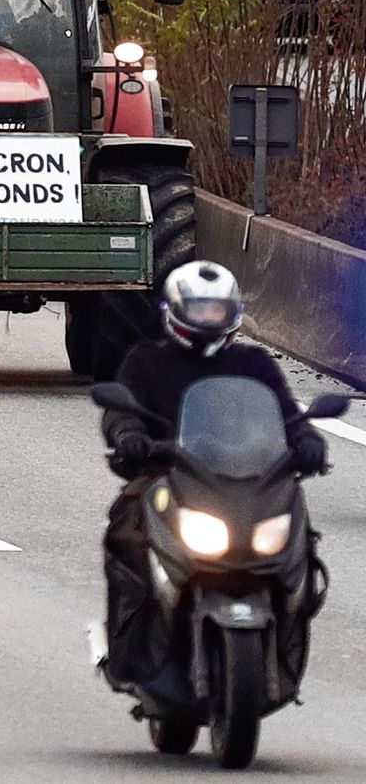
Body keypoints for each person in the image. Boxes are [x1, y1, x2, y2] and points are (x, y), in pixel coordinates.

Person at [98, 262, 327, 685]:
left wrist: (307, 440)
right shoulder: (147, 360)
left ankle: (287, 638)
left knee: (298, 536)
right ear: (176, 311)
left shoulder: (254, 363)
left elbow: (286, 415)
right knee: (127, 532)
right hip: (169, 475)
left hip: (249, 479)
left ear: (233, 313)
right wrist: (129, 434)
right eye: (199, 309)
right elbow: (120, 408)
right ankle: (132, 646)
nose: (208, 319)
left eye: (216, 310)